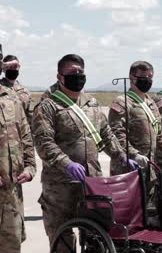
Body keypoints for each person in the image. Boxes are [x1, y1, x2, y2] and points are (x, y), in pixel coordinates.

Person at [32, 54, 137, 250]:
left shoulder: (92, 104)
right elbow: (43, 142)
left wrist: (122, 156)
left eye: (81, 72)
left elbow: (106, 135)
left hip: (92, 182)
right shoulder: (48, 106)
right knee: (62, 237)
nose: (78, 76)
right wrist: (66, 163)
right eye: (72, 72)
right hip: (61, 186)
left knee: (95, 237)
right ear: (60, 76)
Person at [0, 84, 36, 253]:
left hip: (11, 193)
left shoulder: (11, 97)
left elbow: (25, 134)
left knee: (11, 245)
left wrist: (29, 166)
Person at [1, 55, 33, 124]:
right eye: (10, 66)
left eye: (15, 66)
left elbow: (30, 117)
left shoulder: (25, 91)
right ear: (4, 68)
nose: (13, 69)